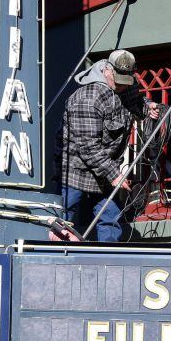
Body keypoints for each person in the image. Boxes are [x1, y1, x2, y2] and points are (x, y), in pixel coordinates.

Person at [55, 49, 160, 242]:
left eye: (126, 81)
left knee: (111, 217)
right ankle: (53, 257)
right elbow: (87, 147)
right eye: (118, 80)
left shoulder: (126, 85)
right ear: (107, 70)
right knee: (62, 220)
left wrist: (146, 107)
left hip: (105, 168)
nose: (122, 85)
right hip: (75, 168)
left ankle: (108, 258)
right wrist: (115, 175)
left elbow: (133, 104)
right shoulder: (89, 97)